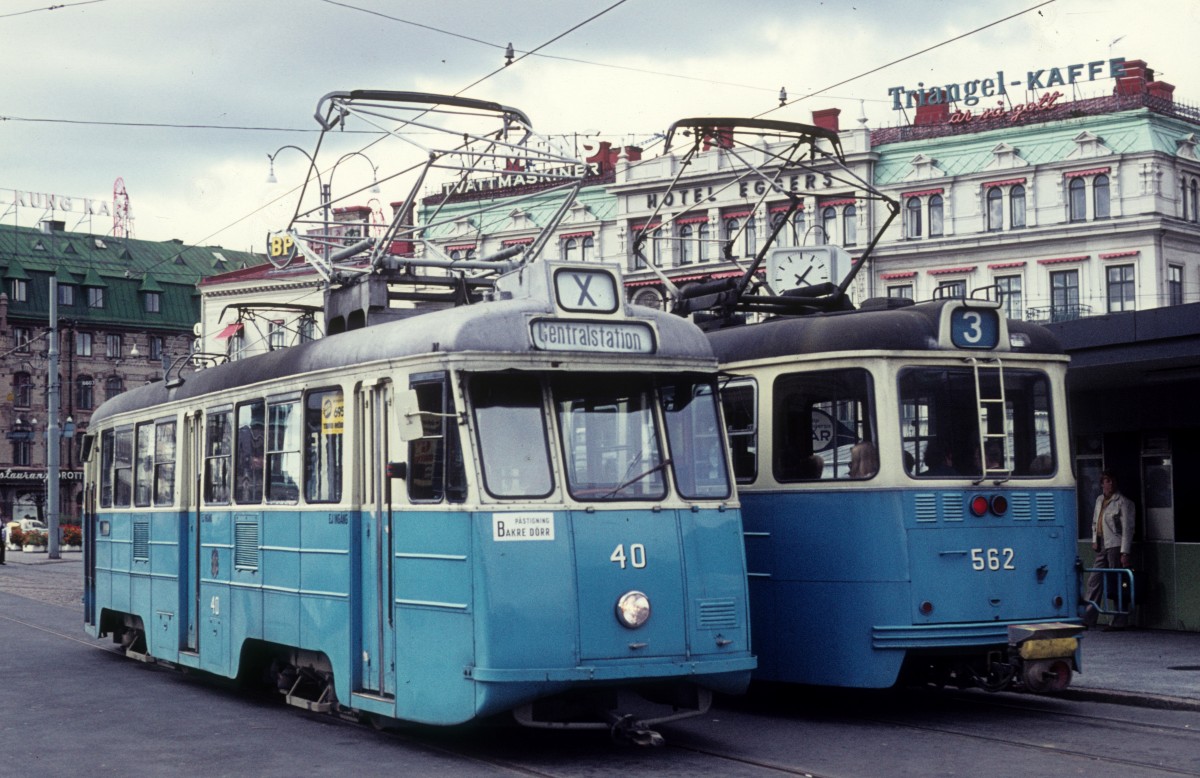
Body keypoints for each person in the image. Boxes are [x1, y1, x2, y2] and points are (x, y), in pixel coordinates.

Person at [1083, 470, 1136, 630]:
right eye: (1107, 481)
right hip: (1102, 544)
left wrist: (1125, 552)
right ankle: (1088, 617)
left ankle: (1119, 620)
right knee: (1094, 580)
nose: (1110, 484)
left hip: (1115, 545)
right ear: (1102, 484)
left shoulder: (1123, 502)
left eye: (1112, 481)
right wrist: (1094, 539)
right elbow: (1095, 521)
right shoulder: (1100, 500)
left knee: (1116, 583)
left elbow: (1128, 529)